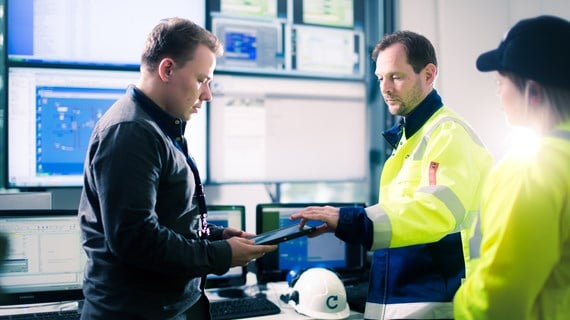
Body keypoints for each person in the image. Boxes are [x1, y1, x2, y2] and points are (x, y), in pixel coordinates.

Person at [78, 18, 276, 320]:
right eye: (201, 80)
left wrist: (216, 236)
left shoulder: (160, 126)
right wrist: (221, 255)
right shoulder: (130, 131)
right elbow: (136, 239)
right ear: (167, 69)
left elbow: (173, 219)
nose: (207, 94)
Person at [291, 30, 493, 319]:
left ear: (428, 74)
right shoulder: (409, 138)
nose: (385, 87)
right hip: (403, 297)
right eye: (380, 78)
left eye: (395, 77)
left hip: (435, 300)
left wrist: (352, 220)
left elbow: (433, 212)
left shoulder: (448, 134)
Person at [453, 15, 570, 320]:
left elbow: (496, 304)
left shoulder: (533, 171)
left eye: (500, 82)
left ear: (532, 93)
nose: (498, 94)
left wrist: (460, 303)